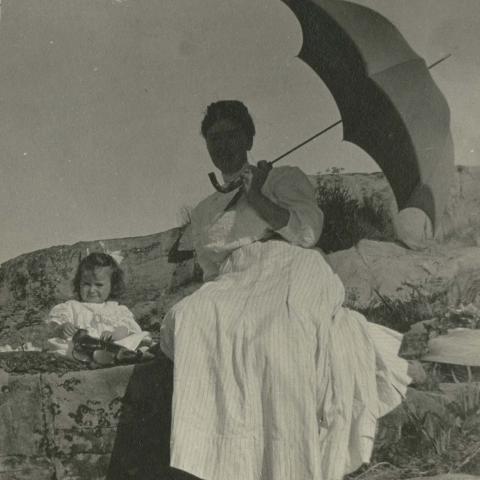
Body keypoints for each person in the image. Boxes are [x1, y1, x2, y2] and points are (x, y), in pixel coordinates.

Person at [160, 100, 410, 480]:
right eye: (214, 138)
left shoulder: (284, 178)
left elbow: (307, 234)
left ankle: (290, 463)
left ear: (249, 137)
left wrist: (258, 195)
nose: (223, 145)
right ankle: (216, 459)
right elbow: (212, 268)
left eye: (232, 135)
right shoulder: (205, 208)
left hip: (291, 264)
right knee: (189, 317)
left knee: (280, 333)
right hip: (236, 277)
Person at [46, 252, 144, 356]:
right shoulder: (71, 306)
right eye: (86, 284)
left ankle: (121, 355)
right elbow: (55, 326)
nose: (92, 290)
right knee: (64, 346)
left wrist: (114, 335)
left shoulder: (116, 309)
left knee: (135, 339)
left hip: (110, 346)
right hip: (81, 346)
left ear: (112, 285)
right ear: (79, 283)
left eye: (99, 285)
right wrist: (62, 328)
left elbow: (126, 329)